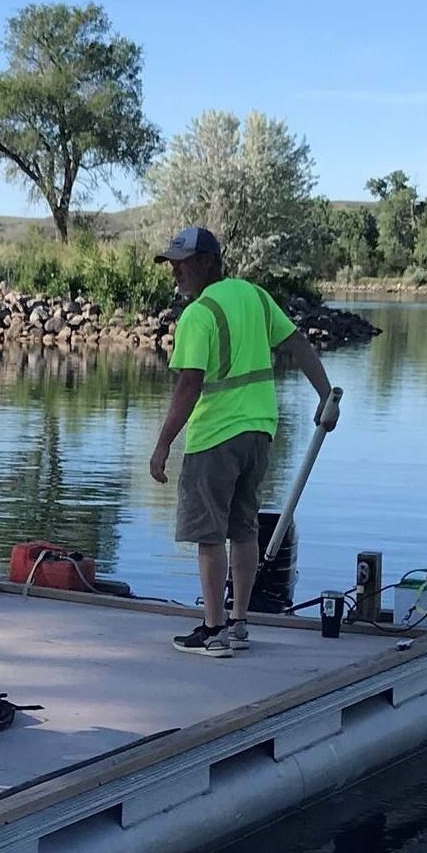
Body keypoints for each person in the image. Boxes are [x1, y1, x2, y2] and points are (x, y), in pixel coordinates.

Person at [146, 226, 334, 657]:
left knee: (208, 534)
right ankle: (239, 622)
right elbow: (298, 345)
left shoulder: (198, 315)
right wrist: (326, 395)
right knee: (244, 529)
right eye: (171, 262)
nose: (175, 270)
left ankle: (213, 632)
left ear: (208, 262)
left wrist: (162, 446)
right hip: (259, 433)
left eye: (182, 261)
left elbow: (188, 386)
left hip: (215, 435)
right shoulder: (255, 296)